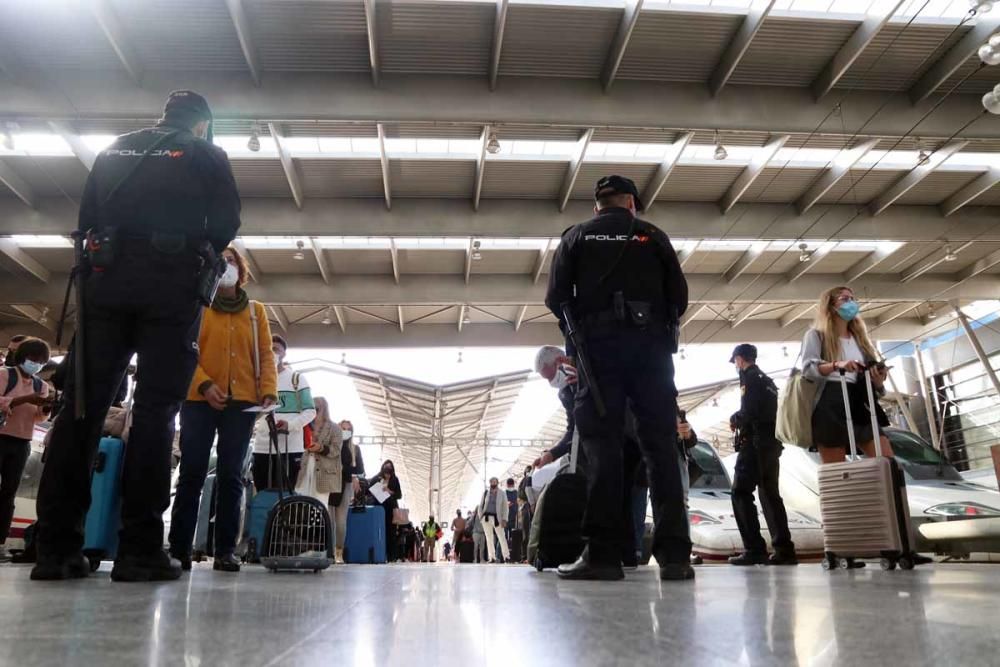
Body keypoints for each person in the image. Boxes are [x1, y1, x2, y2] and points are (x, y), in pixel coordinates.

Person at [33, 90, 242, 582]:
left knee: (81, 410)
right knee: (154, 413)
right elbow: (227, 221)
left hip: (104, 286)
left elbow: (85, 220)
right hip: (170, 291)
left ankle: (56, 549)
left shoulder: (115, 149)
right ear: (202, 124)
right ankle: (140, 550)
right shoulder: (207, 154)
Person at [546, 175, 691, 582]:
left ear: (597, 206)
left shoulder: (576, 237)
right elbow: (678, 297)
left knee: (603, 451)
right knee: (660, 450)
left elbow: (556, 298)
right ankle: (676, 556)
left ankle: (603, 555)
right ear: (632, 204)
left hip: (598, 358)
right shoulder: (652, 235)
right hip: (652, 357)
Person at [168, 246, 277, 574]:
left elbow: (266, 353)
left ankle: (226, 550)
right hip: (198, 399)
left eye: (231, 262)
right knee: (192, 473)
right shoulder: (196, 306)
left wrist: (269, 390)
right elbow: (184, 349)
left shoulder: (256, 312)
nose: (226, 266)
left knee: (232, 476)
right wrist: (203, 384)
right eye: (220, 262)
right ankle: (179, 547)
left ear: (241, 270)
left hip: (242, 402)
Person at [801, 286, 894, 463]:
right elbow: (808, 369)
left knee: (888, 462)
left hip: (858, 402)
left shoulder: (860, 339)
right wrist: (836, 365)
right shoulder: (816, 336)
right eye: (844, 299)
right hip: (828, 404)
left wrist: (878, 381)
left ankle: (885, 491)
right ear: (830, 305)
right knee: (838, 471)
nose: (851, 303)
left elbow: (873, 384)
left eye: (852, 298)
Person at [727, 344, 797, 566]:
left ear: (739, 359)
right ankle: (783, 549)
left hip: (755, 443)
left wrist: (735, 418)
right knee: (769, 494)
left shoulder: (749, 378)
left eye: (736, 362)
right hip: (771, 444)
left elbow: (750, 411)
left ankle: (754, 548)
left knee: (740, 491)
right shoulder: (768, 381)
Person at [0, 338, 51, 561]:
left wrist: (47, 407)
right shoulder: (5, 375)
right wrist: (25, 399)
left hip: (22, 441)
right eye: (33, 359)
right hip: (1, 436)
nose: (37, 364)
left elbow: (38, 417)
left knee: (8, 493)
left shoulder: (42, 386)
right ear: (23, 357)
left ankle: (0, 541)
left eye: (42, 361)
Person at [252, 335, 316, 491]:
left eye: (276, 349)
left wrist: (291, 425)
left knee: (286, 495)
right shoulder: (256, 380)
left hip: (290, 448)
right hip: (261, 447)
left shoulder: (297, 379)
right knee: (262, 495)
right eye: (268, 349)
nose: (272, 353)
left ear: (284, 353)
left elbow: (310, 411)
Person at [319, 414, 362, 564]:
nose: (345, 431)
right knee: (328, 519)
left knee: (341, 521)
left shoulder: (354, 449)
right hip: (329, 483)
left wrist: (344, 469)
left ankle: (339, 552)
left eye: (348, 429)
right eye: (343, 428)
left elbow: (359, 469)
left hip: (346, 484)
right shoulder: (331, 445)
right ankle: (329, 552)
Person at [292, 397, 342, 504]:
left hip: (323, 474)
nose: (314, 409)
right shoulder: (305, 426)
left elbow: (336, 450)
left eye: (317, 407)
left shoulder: (335, 428)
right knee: (300, 501)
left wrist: (320, 448)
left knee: (319, 505)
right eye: (312, 407)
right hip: (303, 470)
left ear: (324, 409)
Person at [368, 460, 402, 561]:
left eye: (390, 467)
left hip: (390, 508)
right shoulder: (377, 478)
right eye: (386, 467)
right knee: (379, 531)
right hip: (379, 508)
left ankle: (391, 556)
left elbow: (399, 495)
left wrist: (390, 491)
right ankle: (379, 554)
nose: (388, 469)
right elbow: (369, 489)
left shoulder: (395, 480)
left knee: (391, 532)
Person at [479, 477, 511, 564]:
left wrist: (505, 519)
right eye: (491, 482)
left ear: (497, 482)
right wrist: (480, 517)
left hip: (498, 518)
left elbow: (505, 507)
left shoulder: (502, 493)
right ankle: (492, 557)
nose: (493, 483)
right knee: (489, 538)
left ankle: (506, 556)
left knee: (501, 537)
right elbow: (480, 505)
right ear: (490, 483)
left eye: (495, 482)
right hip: (486, 518)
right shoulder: (486, 493)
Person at [504, 477, 518, 542]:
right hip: (513, 516)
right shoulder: (516, 493)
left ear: (507, 484)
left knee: (505, 537)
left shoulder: (504, 493)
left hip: (507, 517)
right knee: (513, 535)